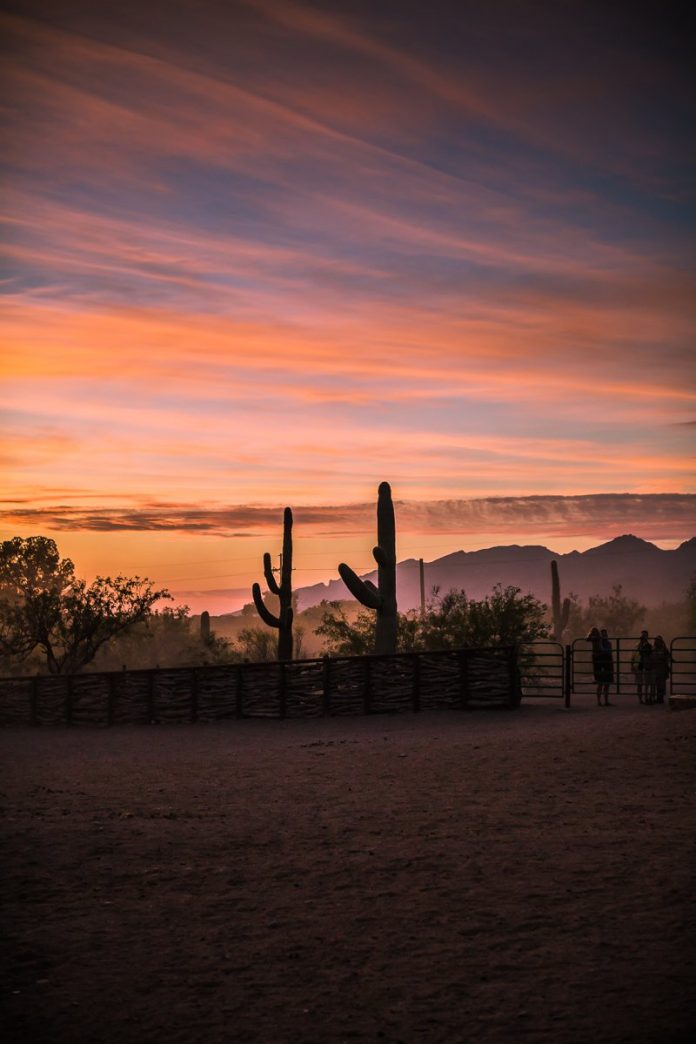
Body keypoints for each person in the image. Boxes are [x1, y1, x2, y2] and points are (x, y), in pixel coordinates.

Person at [587, 626, 613, 706]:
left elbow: (609, 652)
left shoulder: (607, 643)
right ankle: (600, 701)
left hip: (607, 664)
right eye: (603, 635)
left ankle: (605, 701)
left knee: (606, 683)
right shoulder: (599, 643)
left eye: (605, 635)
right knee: (601, 683)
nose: (604, 636)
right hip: (603, 664)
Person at [631, 630, 654, 704]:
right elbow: (633, 657)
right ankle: (641, 699)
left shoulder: (650, 646)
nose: (643, 637)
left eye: (644, 636)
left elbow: (651, 655)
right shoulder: (636, 646)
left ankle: (648, 698)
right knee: (640, 683)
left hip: (647, 666)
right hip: (638, 666)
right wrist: (632, 666)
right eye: (642, 636)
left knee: (648, 683)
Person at [652, 635, 671, 704]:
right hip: (656, 668)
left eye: (658, 640)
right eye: (656, 640)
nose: (657, 642)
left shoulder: (664, 649)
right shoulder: (653, 649)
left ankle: (661, 698)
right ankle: (658, 698)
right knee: (657, 684)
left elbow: (668, 657)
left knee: (662, 684)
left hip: (662, 668)